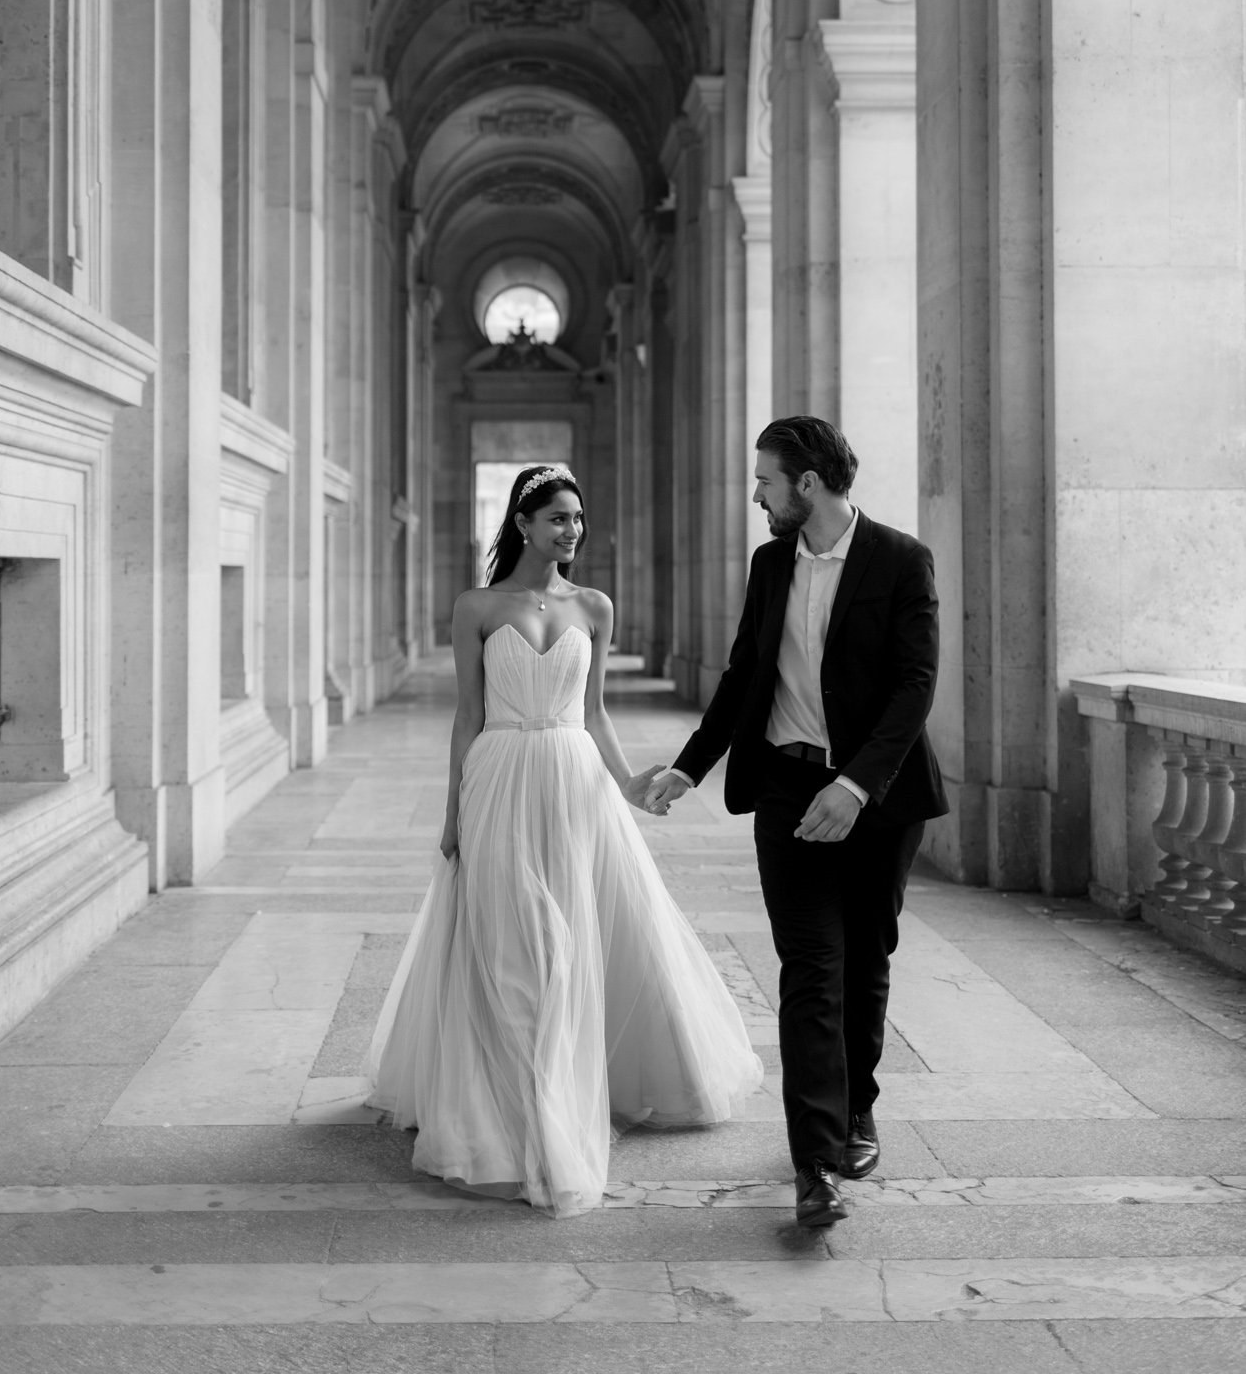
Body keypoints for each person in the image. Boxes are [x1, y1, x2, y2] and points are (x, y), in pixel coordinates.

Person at [362, 463, 762, 1217]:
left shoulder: (594, 606)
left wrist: (627, 785)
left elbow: (597, 711)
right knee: (516, 943)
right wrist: (451, 813)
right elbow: (466, 715)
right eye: (555, 518)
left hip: (575, 782)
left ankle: (561, 1089)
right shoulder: (476, 606)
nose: (570, 530)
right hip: (501, 777)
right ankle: (515, 1105)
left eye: (576, 519)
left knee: (577, 939)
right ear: (522, 523)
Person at [644, 417, 946, 1229]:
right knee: (810, 965)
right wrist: (688, 764)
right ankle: (815, 1161)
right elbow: (746, 672)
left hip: (874, 798)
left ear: (806, 484)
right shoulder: (770, 563)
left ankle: (855, 1111)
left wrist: (854, 786)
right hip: (784, 787)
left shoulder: (900, 559)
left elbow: (914, 686)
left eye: (765, 481)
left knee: (863, 956)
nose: (756, 495)